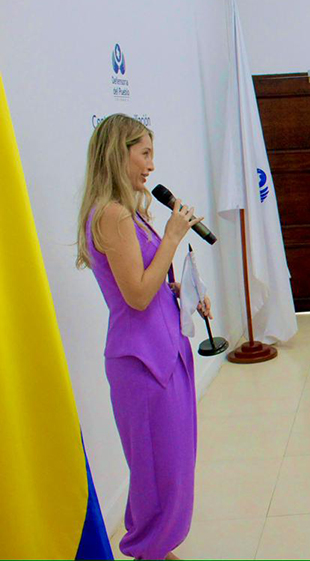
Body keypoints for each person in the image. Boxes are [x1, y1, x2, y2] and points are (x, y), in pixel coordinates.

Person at [76, 114, 212, 560]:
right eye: (145, 153)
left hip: (165, 348)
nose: (151, 166)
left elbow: (148, 285)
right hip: (141, 360)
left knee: (171, 464)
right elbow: (134, 296)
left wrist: (182, 292)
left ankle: (155, 547)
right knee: (158, 467)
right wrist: (173, 236)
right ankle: (148, 549)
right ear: (120, 153)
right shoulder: (112, 215)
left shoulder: (130, 212)